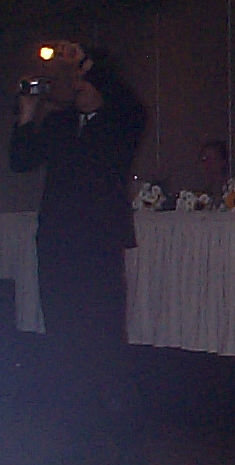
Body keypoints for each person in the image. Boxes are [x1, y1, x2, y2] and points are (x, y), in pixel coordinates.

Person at [9, 41, 146, 420]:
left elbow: (125, 99)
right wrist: (26, 114)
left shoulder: (120, 122)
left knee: (103, 326)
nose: (78, 86)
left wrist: (85, 60)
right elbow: (21, 161)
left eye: (86, 80)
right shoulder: (59, 123)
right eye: (76, 81)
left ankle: (115, 408)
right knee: (61, 324)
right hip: (57, 239)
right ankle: (71, 409)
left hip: (98, 241)